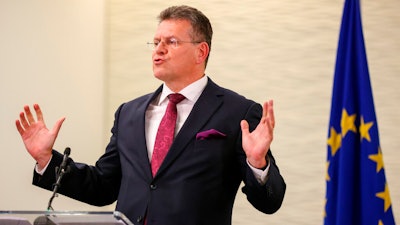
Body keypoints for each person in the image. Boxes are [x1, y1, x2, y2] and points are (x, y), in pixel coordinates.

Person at [16, 5, 286, 225]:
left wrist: (258, 164)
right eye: (155, 42)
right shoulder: (129, 113)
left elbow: (269, 203)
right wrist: (46, 160)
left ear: (200, 52)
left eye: (171, 41)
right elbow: (104, 187)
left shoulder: (237, 112)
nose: (158, 49)